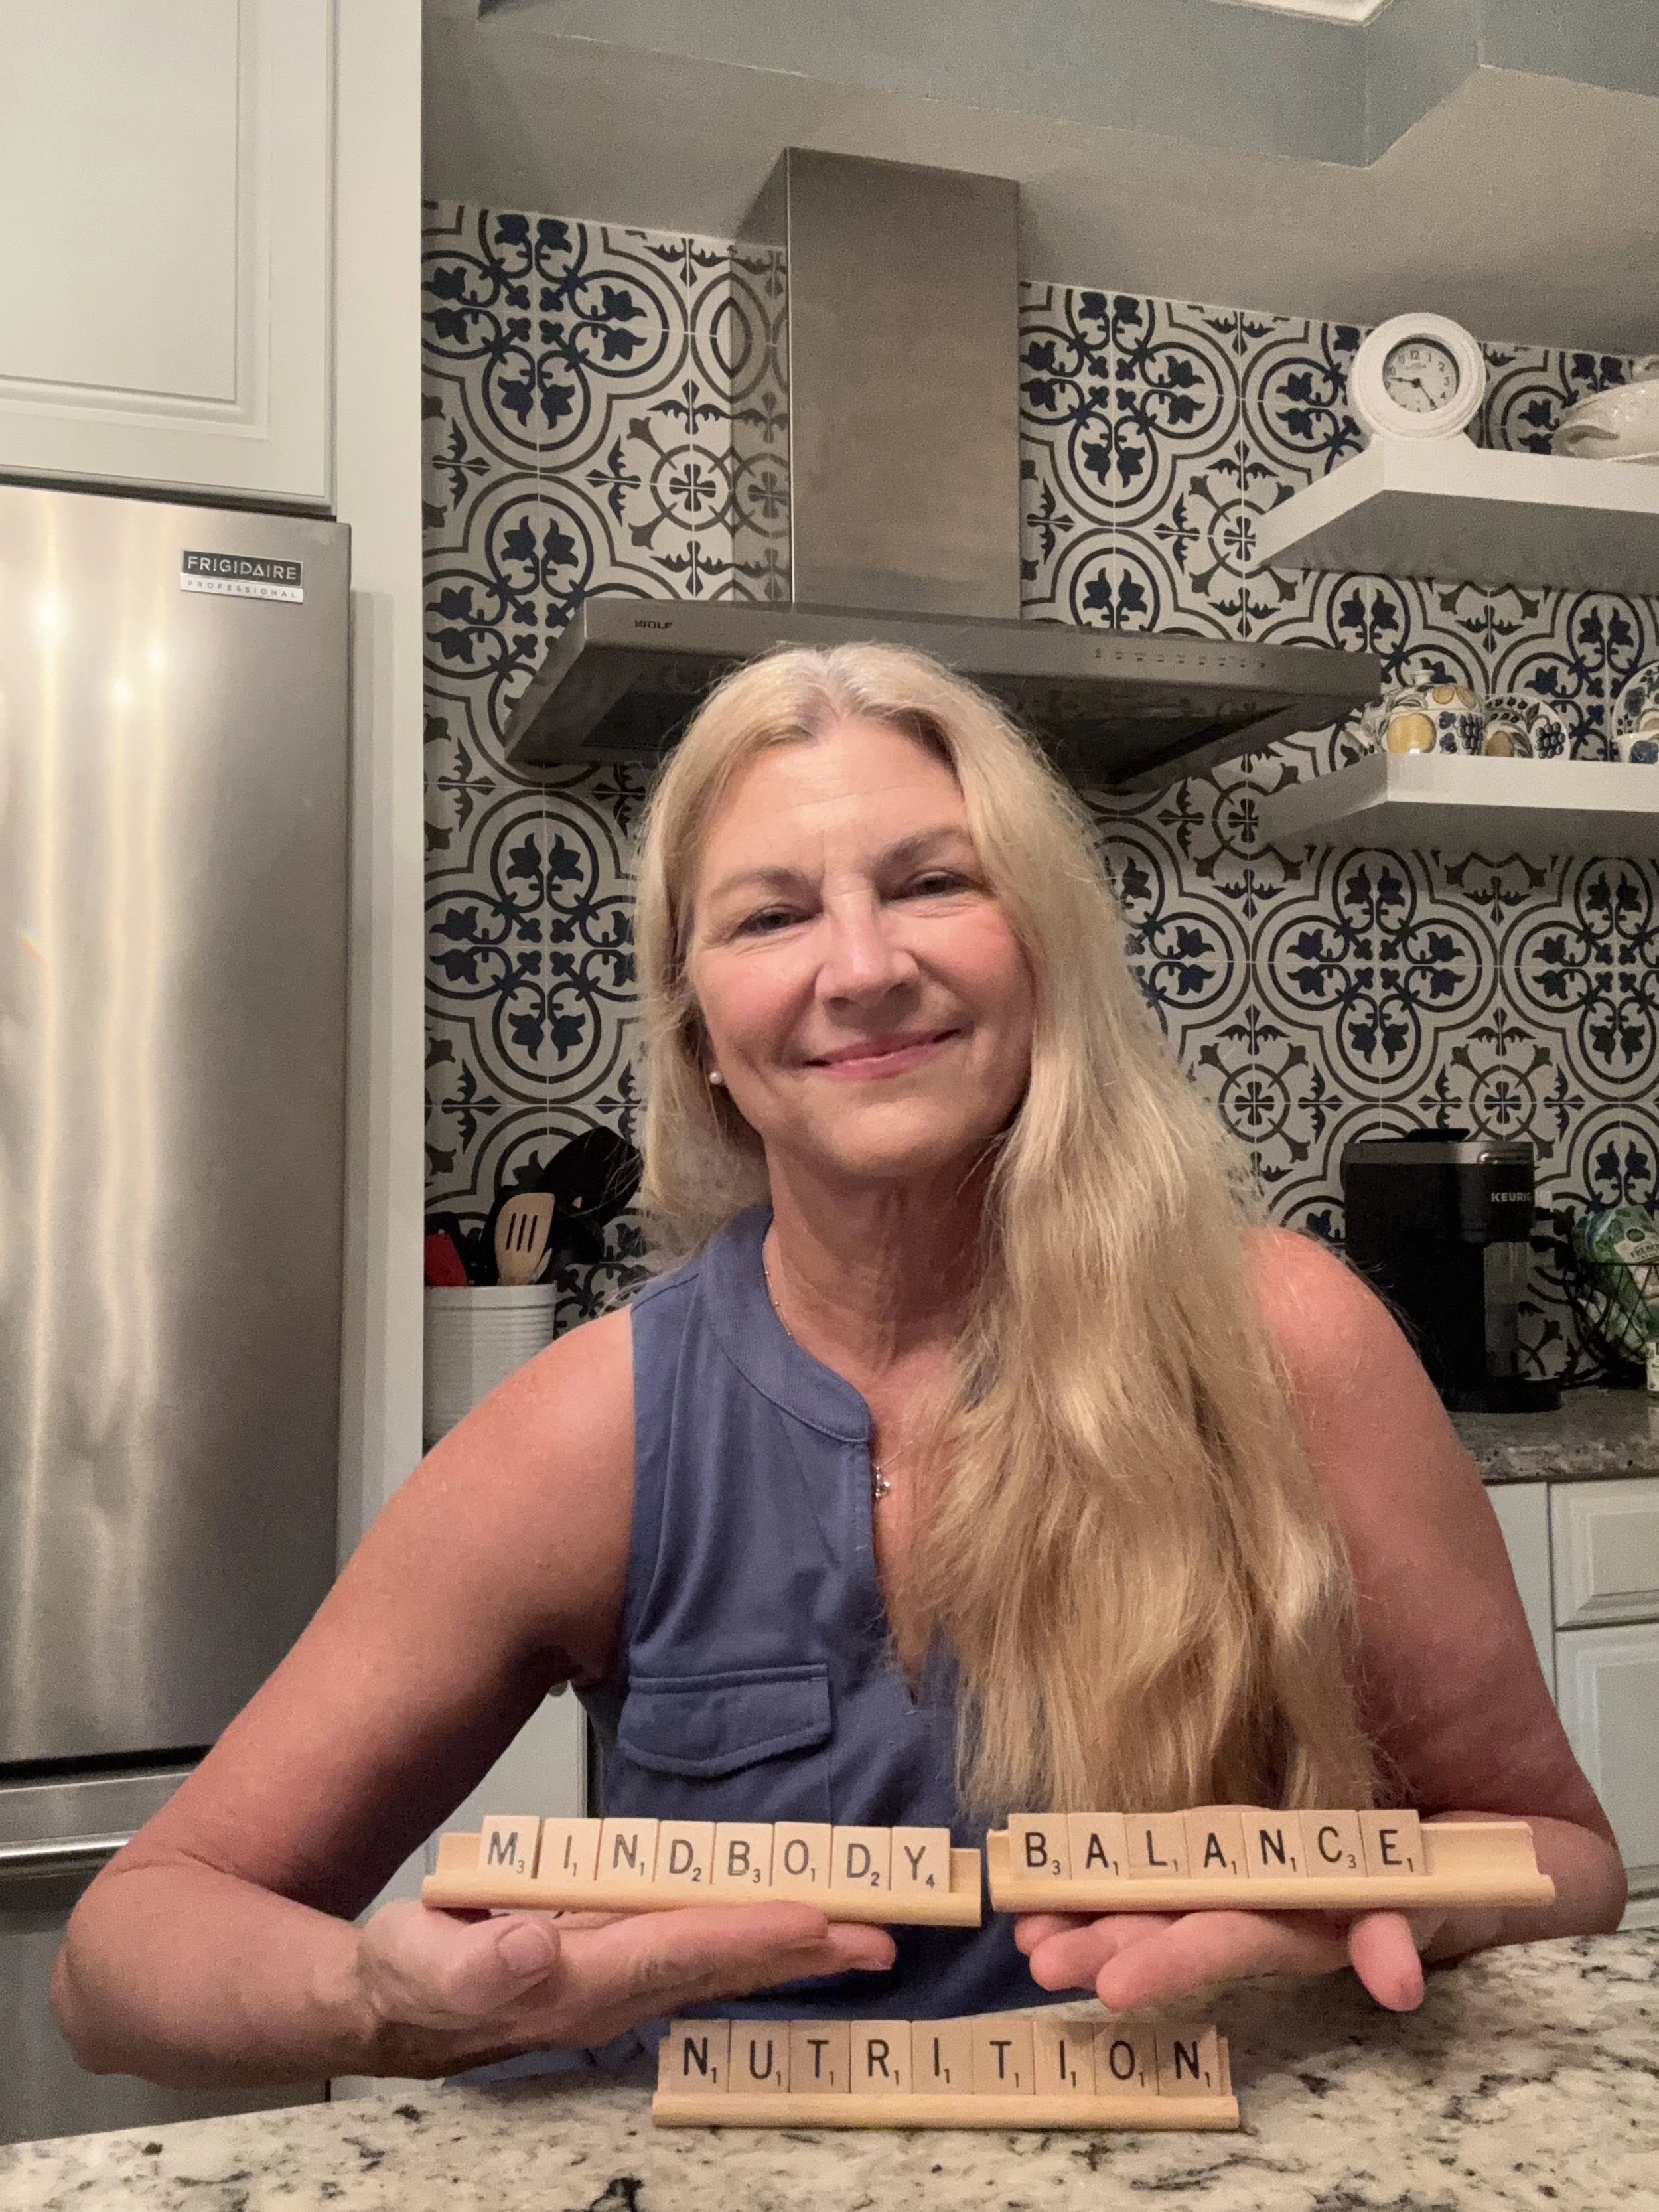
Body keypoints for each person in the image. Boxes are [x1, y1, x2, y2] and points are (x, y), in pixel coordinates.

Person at [53, 644, 1624, 2089]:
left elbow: (1561, 1848)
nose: (861, 968)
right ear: (697, 1023)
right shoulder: (592, 1427)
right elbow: (126, 1954)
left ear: (1042, 944)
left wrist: (1393, 1908)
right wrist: (389, 2000)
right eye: (769, 914)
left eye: (931, 880)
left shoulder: (1281, 1335)